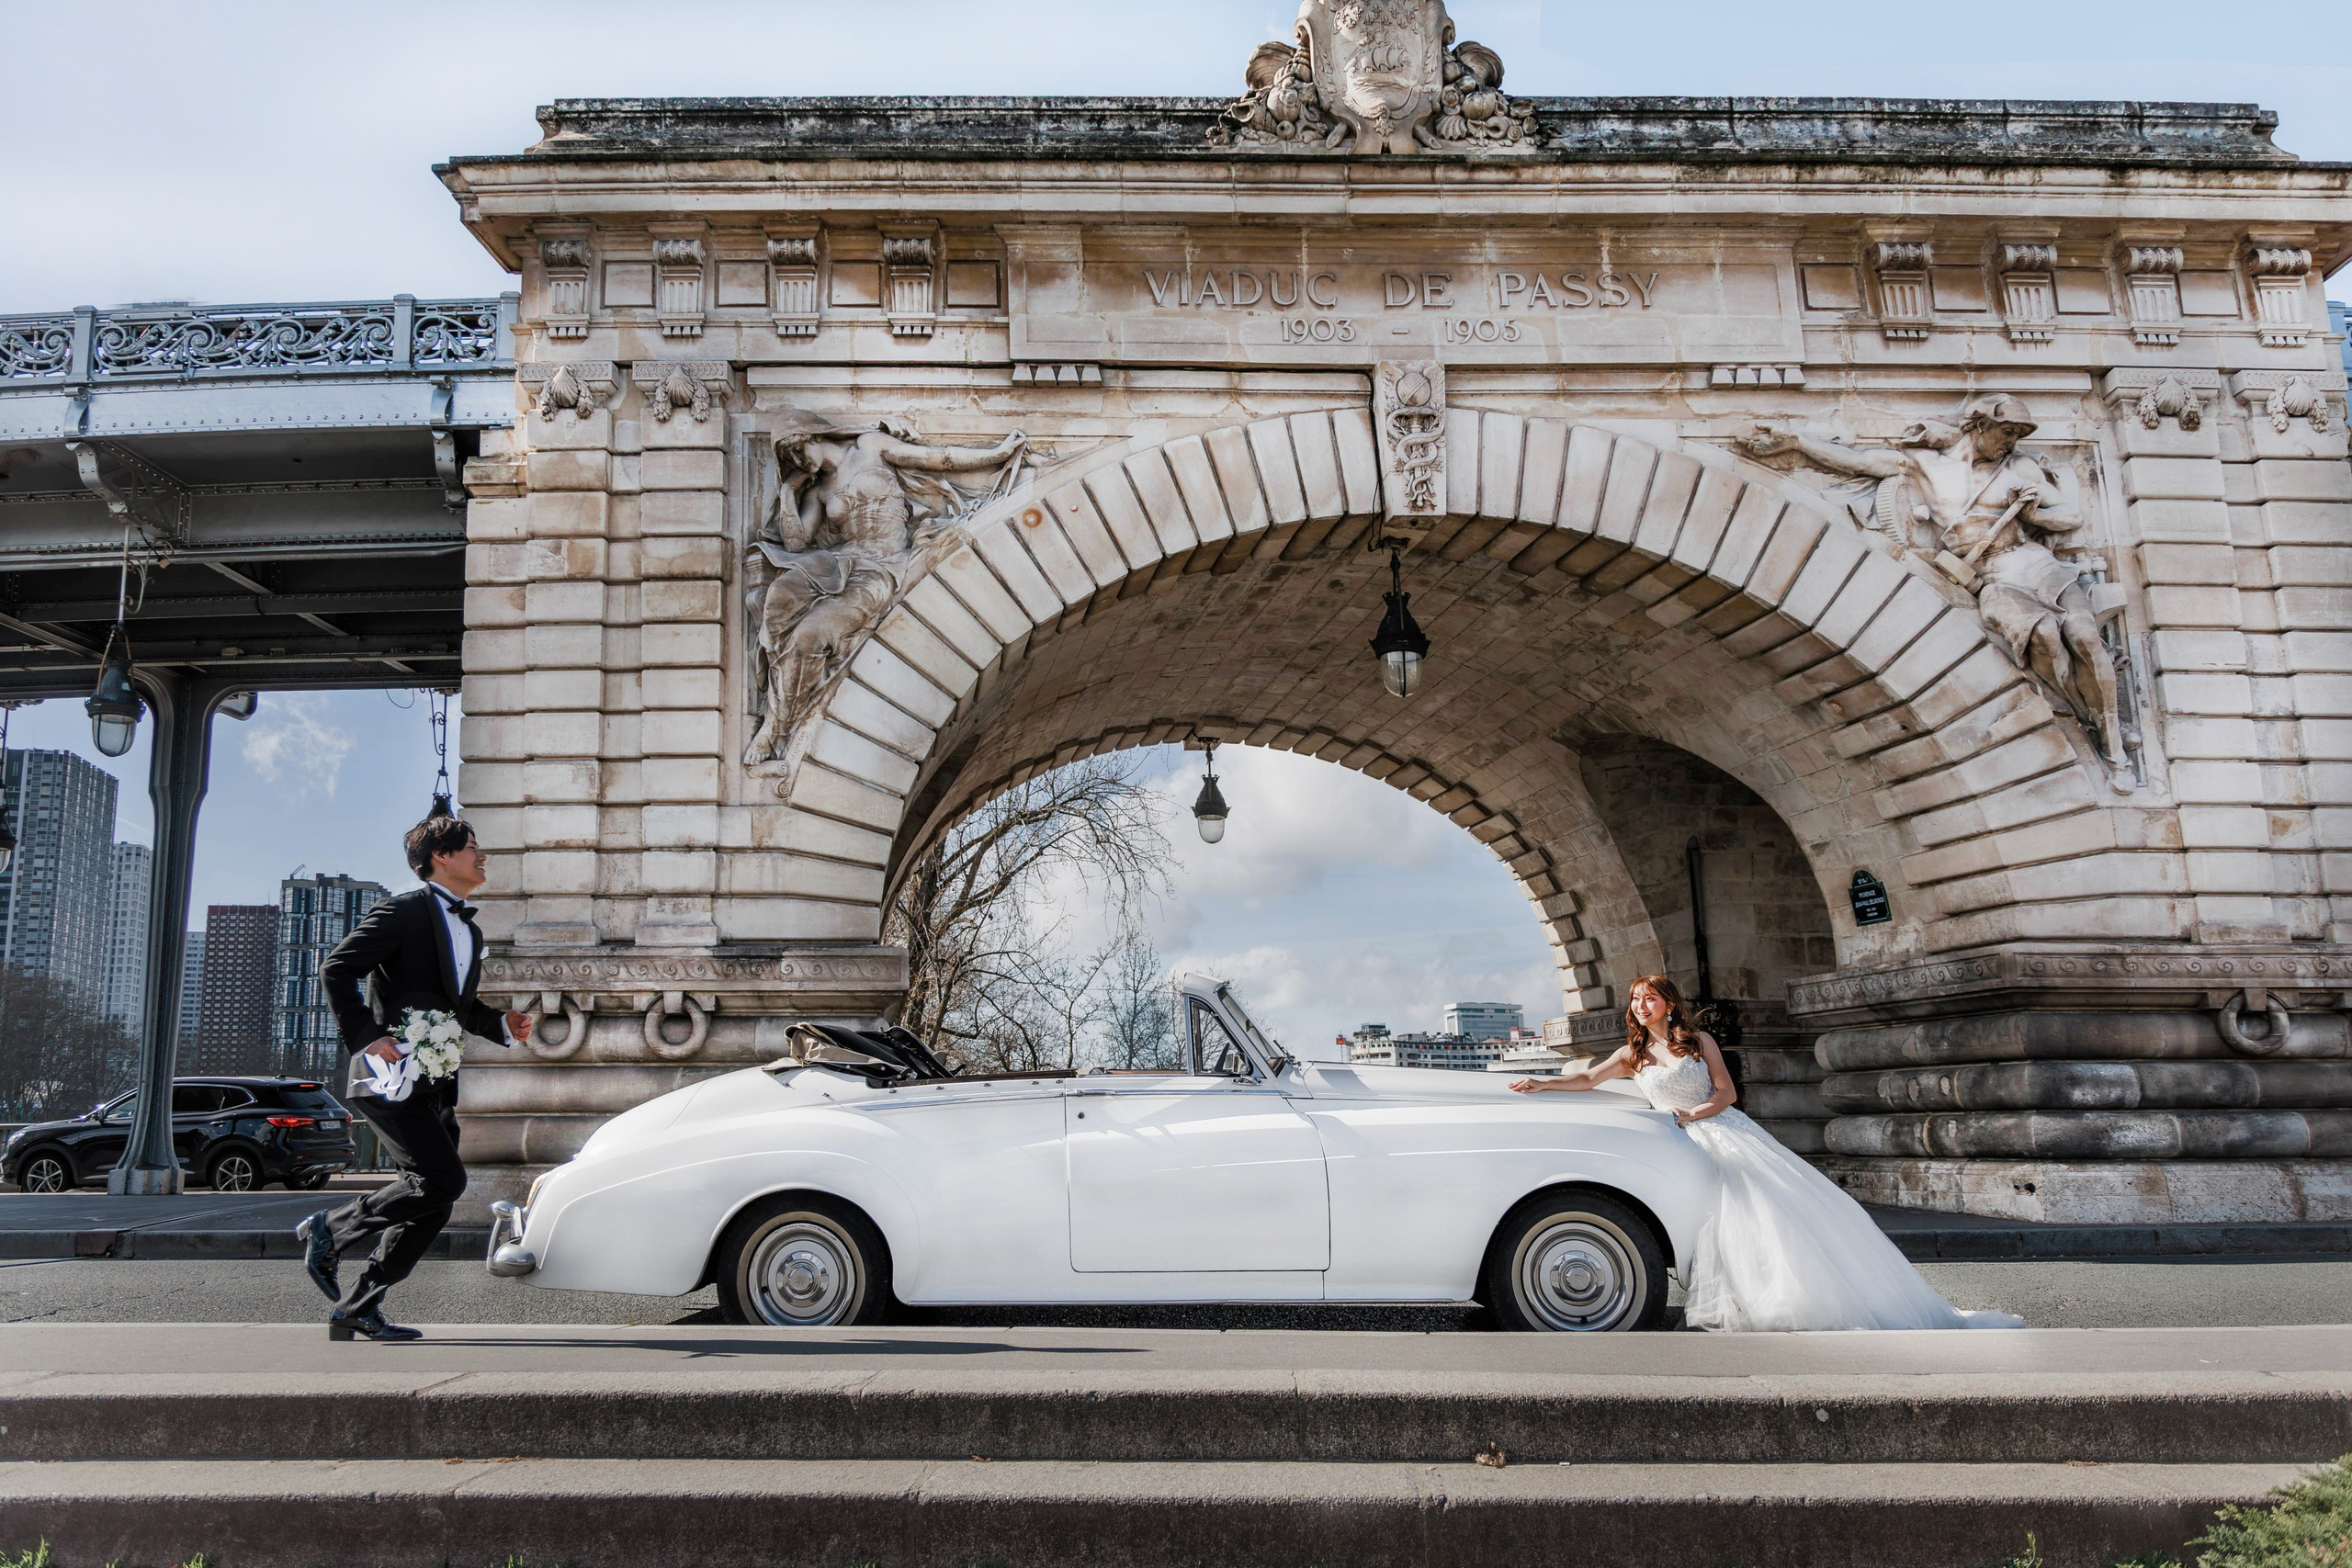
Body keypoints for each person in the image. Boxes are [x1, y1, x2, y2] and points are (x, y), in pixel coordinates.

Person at [1511, 975, 2021, 1332]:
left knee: (1760, 1213)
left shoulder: (1698, 1040)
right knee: (1718, 1221)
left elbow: (1727, 1093)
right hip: (1680, 1137)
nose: (1640, 1007)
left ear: (1667, 1003)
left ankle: (1787, 1298)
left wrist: (1693, 1116)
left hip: (1720, 1129)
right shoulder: (1632, 1053)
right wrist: (1543, 1084)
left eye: (1648, 999)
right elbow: (1586, 1077)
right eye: (1634, 1001)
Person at [296, 814, 532, 1341]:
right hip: (392, 1074)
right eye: (472, 847)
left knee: (435, 1195)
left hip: (437, 1078)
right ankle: (328, 1230)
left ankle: (359, 1304)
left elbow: (456, 1006)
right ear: (441, 857)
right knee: (443, 1180)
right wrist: (364, 1036)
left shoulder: (467, 927)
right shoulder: (404, 911)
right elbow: (337, 968)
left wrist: (500, 1023)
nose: (483, 855)